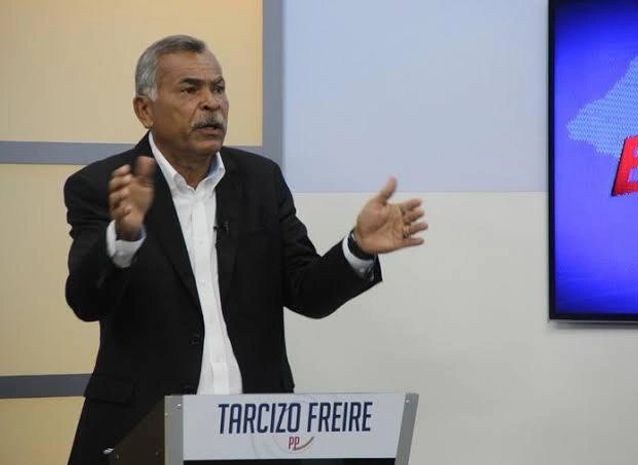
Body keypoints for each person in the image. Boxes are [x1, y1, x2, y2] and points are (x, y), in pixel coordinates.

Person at [64, 35, 427, 465]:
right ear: (145, 109)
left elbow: (307, 292)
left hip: (254, 435)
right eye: (190, 89)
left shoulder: (260, 181)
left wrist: (358, 248)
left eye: (218, 88)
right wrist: (124, 236)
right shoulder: (103, 185)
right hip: (142, 431)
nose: (211, 103)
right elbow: (86, 300)